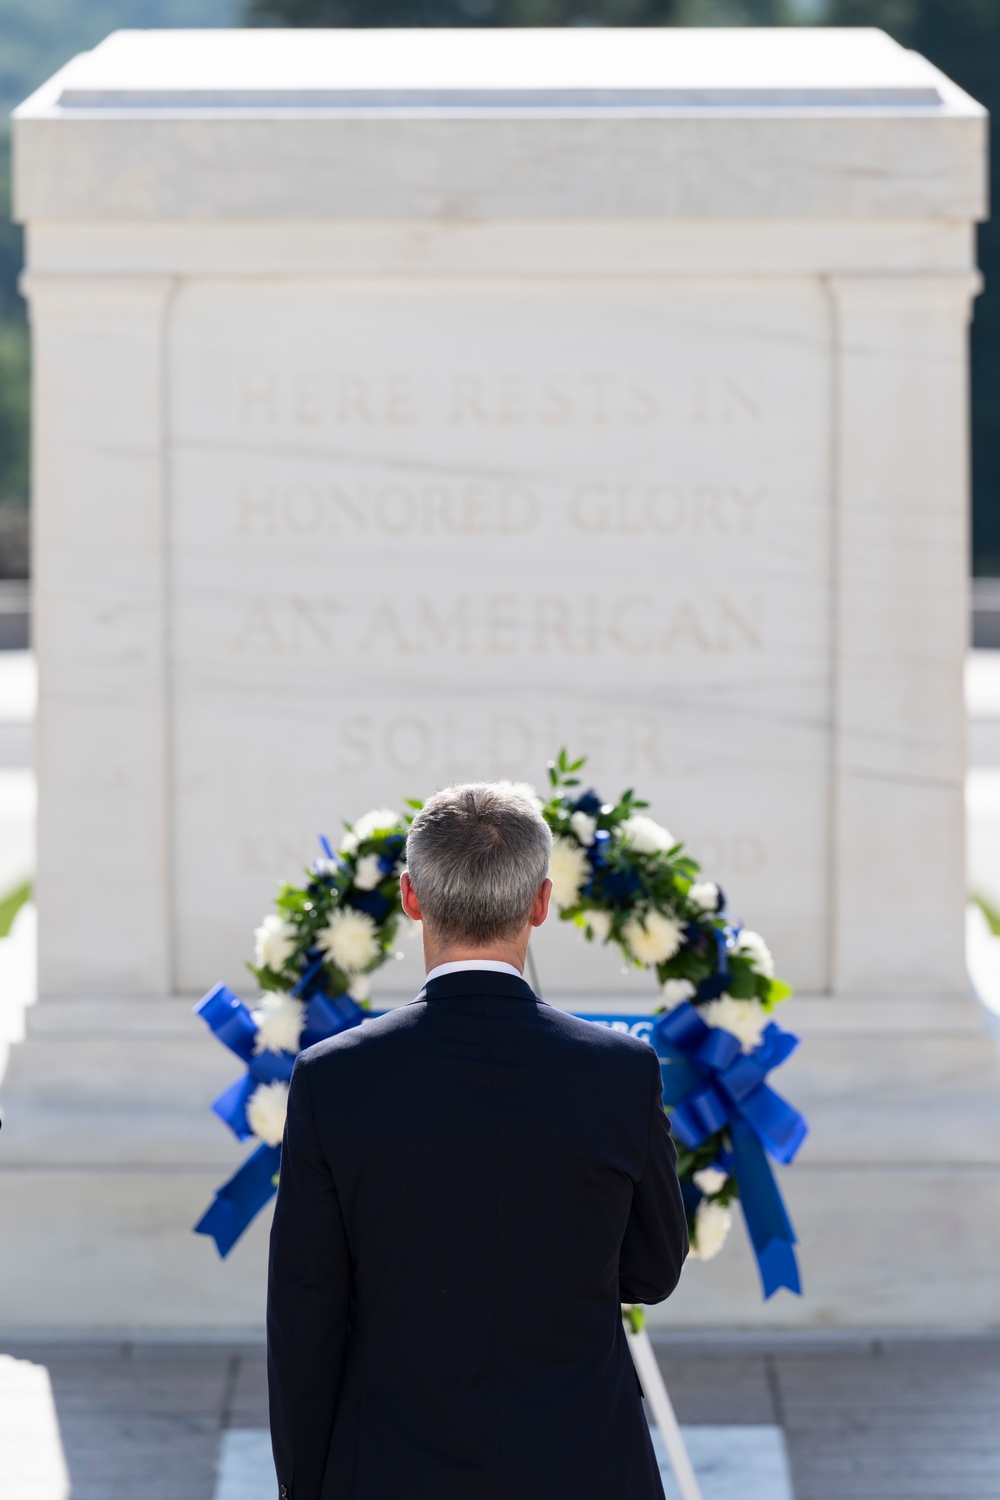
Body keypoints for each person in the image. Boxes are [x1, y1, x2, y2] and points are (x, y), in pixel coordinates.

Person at [267, 781, 688, 1500]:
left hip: (395, 1470)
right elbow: (652, 1270)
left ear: (410, 898)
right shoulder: (620, 1072)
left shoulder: (334, 1078)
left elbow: (307, 1317)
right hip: (585, 1465)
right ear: (541, 903)